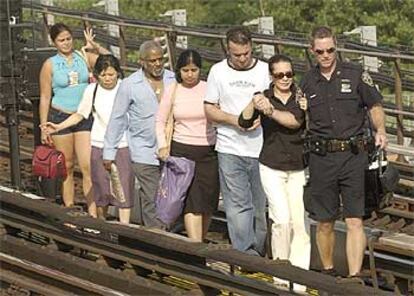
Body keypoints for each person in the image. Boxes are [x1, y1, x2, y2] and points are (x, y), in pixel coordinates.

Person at [300, 26, 387, 277]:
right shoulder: (306, 82)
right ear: (312, 51)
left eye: (330, 50)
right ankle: (327, 272)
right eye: (320, 51)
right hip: (322, 157)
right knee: (325, 221)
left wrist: (380, 129)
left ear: (336, 47)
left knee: (354, 219)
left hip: (352, 155)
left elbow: (374, 104)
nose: (326, 55)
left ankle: (354, 276)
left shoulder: (355, 74)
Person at [238, 54, 310, 290]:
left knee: (299, 220)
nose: (285, 79)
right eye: (279, 75)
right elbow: (244, 122)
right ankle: (280, 274)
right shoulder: (265, 97)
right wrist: (254, 102)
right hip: (271, 164)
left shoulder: (300, 96)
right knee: (281, 219)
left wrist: (270, 112)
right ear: (272, 76)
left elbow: (294, 122)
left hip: (299, 165)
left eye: (289, 74)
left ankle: (300, 277)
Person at [40, 55, 134, 224]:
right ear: (97, 75)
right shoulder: (92, 90)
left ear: (117, 74)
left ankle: (124, 228)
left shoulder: (125, 88)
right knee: (102, 187)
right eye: (104, 75)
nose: (107, 79)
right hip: (98, 142)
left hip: (122, 143)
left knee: (123, 188)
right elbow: (80, 114)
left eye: (111, 74)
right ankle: (102, 224)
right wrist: (59, 126)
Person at [204, 26, 269, 256]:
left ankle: (258, 249)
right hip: (230, 146)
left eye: (246, 54)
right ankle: (245, 252)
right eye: (236, 55)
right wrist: (235, 120)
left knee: (260, 208)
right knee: (238, 205)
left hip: (260, 148)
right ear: (228, 51)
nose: (242, 59)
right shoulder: (218, 72)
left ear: (251, 48)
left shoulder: (264, 70)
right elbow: (209, 108)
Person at [39, 23, 109, 217]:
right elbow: (45, 97)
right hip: (60, 116)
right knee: (67, 165)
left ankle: (94, 213)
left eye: (68, 38)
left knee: (87, 165)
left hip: (83, 116)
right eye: (61, 40)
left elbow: (109, 61)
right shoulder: (49, 64)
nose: (66, 43)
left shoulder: (82, 56)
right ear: (54, 42)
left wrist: (94, 46)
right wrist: (44, 125)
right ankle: (69, 209)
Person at [103, 41, 175, 228]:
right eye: (152, 61)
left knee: (171, 197)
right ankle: (156, 240)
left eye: (160, 60)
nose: (157, 64)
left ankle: (168, 236)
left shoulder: (173, 80)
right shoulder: (129, 85)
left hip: (171, 148)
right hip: (144, 150)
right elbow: (117, 119)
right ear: (142, 61)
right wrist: (109, 152)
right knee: (151, 197)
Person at [156, 49, 219, 242]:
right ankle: (195, 246)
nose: (190, 75)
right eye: (185, 70)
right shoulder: (173, 90)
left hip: (208, 150)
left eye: (194, 70)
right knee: (192, 201)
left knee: (207, 201)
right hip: (182, 150)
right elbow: (160, 120)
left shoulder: (210, 88)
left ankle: (200, 240)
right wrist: (163, 145)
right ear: (179, 71)